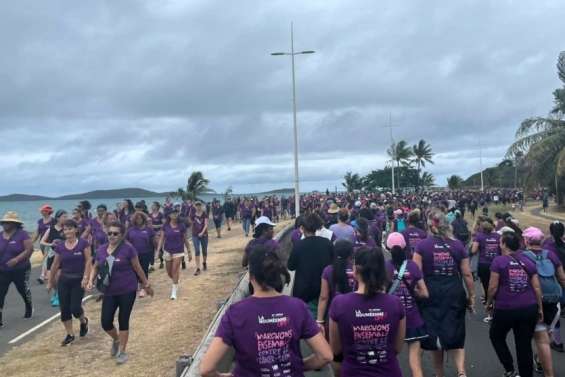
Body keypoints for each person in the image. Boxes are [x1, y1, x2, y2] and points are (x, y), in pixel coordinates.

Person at [200, 246, 333, 376]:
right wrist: (298, 366)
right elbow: (325, 356)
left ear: (251, 276)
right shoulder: (298, 307)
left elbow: (206, 369)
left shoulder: (235, 312)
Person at [413, 211, 475, 377]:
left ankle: (439, 373)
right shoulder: (458, 245)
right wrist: (472, 296)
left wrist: (417, 294)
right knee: (457, 331)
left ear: (430, 226)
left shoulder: (422, 246)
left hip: (431, 292)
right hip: (454, 291)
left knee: (434, 333)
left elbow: (416, 273)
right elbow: (467, 274)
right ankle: (461, 372)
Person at [329, 247, 406, 377]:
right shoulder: (395, 303)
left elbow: (336, 349)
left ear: (355, 270)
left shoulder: (339, 303)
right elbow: (397, 348)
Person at [87, 221, 154, 365]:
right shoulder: (101, 250)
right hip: (109, 291)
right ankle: (116, 339)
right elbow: (96, 266)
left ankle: (122, 351)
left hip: (127, 290)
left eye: (115, 233)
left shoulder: (128, 249)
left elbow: (138, 268)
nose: (112, 236)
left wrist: (146, 284)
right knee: (105, 322)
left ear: (122, 235)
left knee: (123, 320)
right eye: (109, 233)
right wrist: (90, 280)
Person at [486, 231, 543, 377]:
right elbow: (537, 287)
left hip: (506, 309)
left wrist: (488, 303)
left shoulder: (498, 261)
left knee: (496, 336)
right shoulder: (529, 261)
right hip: (529, 307)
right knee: (524, 345)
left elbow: (492, 287)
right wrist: (540, 308)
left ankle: (509, 368)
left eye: (500, 242)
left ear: (504, 244)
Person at [521, 226, 565, 376]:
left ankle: (541, 365)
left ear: (526, 240)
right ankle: (540, 361)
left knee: (538, 337)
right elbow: (562, 278)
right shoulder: (551, 255)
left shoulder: (522, 256)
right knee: (547, 333)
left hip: (532, 301)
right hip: (553, 300)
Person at [386, 232, 429, 377]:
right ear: (405, 247)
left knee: (388, 359)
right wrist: (413, 293)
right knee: (415, 361)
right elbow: (425, 293)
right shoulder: (413, 266)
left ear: (387, 248)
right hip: (412, 316)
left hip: (389, 317)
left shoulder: (384, 267)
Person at [47, 220, 91, 345]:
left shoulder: (83, 243)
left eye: (70, 228)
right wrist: (50, 282)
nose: (67, 231)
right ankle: (70, 334)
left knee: (75, 308)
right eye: (65, 229)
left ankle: (83, 321)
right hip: (64, 280)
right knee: (65, 309)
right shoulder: (60, 246)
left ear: (76, 230)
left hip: (78, 280)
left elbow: (88, 261)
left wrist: (86, 277)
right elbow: (55, 264)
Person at [316, 240, 355, 375]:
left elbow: (323, 297)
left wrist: (319, 320)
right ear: (351, 254)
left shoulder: (328, 270)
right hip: (356, 315)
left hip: (333, 318)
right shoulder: (356, 269)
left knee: (335, 352)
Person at [288, 213, 334, 317]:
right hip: (324, 287)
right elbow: (333, 262)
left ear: (302, 228)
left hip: (304, 290)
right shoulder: (327, 243)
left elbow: (290, 266)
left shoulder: (298, 245)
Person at [0, 212, 34, 328]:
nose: (5, 224)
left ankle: (29, 306)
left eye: (8, 222)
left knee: (22, 289)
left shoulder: (22, 235)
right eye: (4, 222)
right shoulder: (0, 235)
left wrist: (17, 259)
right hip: (3, 270)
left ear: (14, 224)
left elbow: (29, 249)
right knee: (1, 292)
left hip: (21, 269)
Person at [157, 206, 192, 300]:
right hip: (168, 250)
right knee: (169, 272)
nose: (174, 215)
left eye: (176, 213)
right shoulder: (166, 226)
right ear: (169, 215)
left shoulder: (181, 226)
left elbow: (185, 239)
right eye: (173, 213)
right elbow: (161, 239)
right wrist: (158, 251)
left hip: (178, 251)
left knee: (175, 270)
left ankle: (174, 292)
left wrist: (189, 251)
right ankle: (175, 282)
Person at [472, 220, 501, 321]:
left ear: (482, 228)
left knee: (487, 288)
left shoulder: (479, 236)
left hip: (484, 265)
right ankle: (499, 309)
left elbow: (473, 250)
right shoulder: (498, 236)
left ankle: (490, 313)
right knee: (498, 287)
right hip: (497, 264)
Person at [543, 221, 565, 351]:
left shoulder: (547, 247)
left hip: (554, 285)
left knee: (554, 315)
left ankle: (557, 342)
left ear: (551, 232)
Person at [41, 210, 68, 307]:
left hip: (63, 256)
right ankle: (56, 292)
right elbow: (42, 241)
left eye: (66, 216)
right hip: (52, 255)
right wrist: (51, 244)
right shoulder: (51, 229)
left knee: (58, 277)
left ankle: (59, 296)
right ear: (58, 218)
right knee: (51, 279)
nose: (66, 218)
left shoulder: (67, 229)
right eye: (64, 216)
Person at [125, 212, 156, 298]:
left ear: (143, 219)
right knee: (134, 270)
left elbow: (153, 240)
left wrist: (158, 250)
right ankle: (137, 286)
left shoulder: (148, 229)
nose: (139, 220)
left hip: (146, 253)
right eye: (137, 218)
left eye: (140, 218)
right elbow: (126, 241)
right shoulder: (130, 230)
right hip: (133, 254)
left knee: (144, 269)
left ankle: (143, 288)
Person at [32, 204, 55, 284]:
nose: (42, 212)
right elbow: (37, 232)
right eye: (41, 210)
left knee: (45, 258)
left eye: (44, 210)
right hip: (42, 242)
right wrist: (32, 242)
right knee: (48, 259)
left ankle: (42, 276)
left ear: (48, 212)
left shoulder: (53, 221)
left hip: (50, 242)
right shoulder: (40, 221)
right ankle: (48, 273)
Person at [191, 201, 209, 275]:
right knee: (197, 250)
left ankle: (204, 262)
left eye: (199, 205)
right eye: (196, 205)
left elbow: (206, 224)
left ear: (201, 206)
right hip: (195, 235)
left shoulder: (204, 214)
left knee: (204, 250)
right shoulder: (192, 215)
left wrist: (202, 232)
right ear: (195, 206)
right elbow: (191, 223)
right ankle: (198, 268)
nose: (198, 207)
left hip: (204, 235)